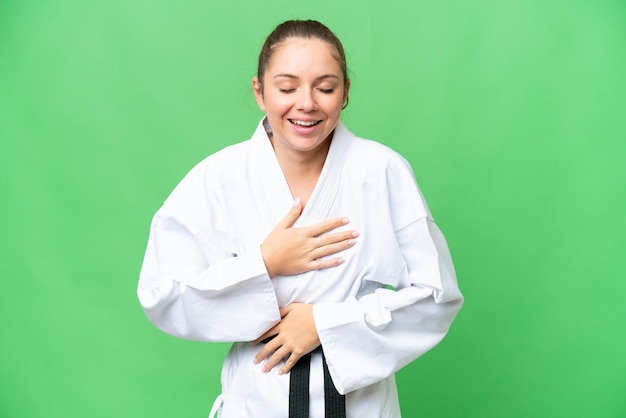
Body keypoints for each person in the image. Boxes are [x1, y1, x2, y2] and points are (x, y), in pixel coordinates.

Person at [137, 19, 463, 418]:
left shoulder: (381, 172)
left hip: (359, 408)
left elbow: (438, 295)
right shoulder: (219, 178)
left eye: (325, 88)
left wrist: (324, 324)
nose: (306, 103)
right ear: (259, 92)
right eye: (287, 88)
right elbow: (162, 294)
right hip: (257, 401)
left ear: (344, 93)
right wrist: (264, 263)